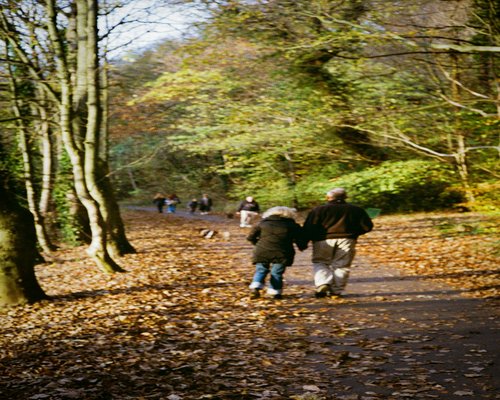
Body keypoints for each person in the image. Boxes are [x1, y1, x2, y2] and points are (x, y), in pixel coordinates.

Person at [303, 188, 373, 298]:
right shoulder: (356, 210)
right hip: (347, 239)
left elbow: (309, 227)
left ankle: (322, 283)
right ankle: (336, 291)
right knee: (342, 265)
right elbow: (367, 226)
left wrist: (305, 240)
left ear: (328, 198)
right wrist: (354, 234)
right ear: (345, 197)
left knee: (321, 262)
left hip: (322, 240)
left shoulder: (318, 210)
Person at [247, 206, 307, 299]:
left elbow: (250, 237)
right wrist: (302, 247)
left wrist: (257, 244)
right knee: (277, 272)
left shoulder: (261, 224)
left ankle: (256, 287)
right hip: (283, 252)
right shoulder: (293, 226)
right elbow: (300, 239)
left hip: (262, 250)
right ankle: (275, 292)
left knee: (261, 270)